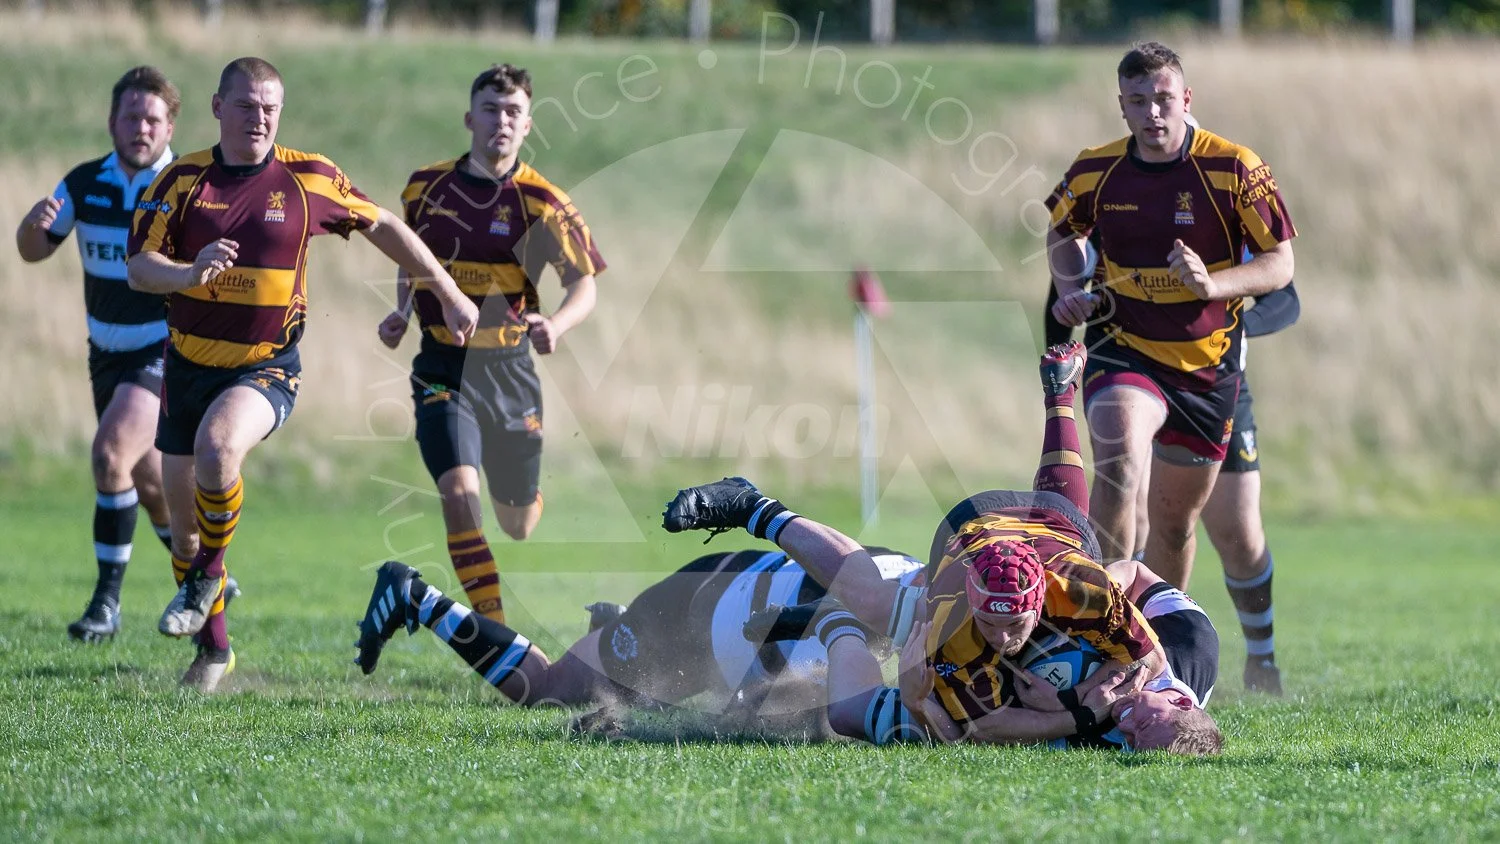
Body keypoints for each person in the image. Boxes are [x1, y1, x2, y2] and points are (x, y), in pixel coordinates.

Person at [126, 57, 479, 692]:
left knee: (218, 449)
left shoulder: (307, 177)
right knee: (182, 531)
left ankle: (210, 574)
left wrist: (449, 293)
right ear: (216, 107)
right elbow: (139, 267)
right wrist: (187, 273)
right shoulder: (180, 180)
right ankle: (213, 649)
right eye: (245, 105)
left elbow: (388, 227)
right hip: (187, 365)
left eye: (269, 107)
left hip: (266, 368)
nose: (258, 117)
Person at [662, 341, 1170, 740]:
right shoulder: (951, 621)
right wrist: (1080, 712)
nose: (1003, 638)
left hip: (1056, 530)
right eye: (991, 623)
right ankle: (751, 506)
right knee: (875, 600)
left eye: (1014, 623)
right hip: (974, 522)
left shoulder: (1089, 594)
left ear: (1039, 602)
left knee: (1072, 531)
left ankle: (1061, 396)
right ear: (973, 597)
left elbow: (1152, 659)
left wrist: (1080, 700)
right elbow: (968, 729)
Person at [1045, 42, 1296, 590]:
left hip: (1205, 367)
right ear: (1123, 106)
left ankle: (1160, 646)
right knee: (1118, 463)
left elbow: (1280, 263)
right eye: (1138, 101)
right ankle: (1102, 623)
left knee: (1175, 525)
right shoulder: (1095, 169)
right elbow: (1063, 231)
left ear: (1186, 99)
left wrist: (1212, 284)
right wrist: (1070, 288)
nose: (1152, 113)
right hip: (1122, 345)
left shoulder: (1234, 166)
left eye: (1163, 99)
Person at [376, 63, 604, 624]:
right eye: (490, 110)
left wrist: (559, 324)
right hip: (442, 364)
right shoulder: (424, 188)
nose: (500, 121)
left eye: (512, 113)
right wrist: (402, 311)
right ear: (468, 118)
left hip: (510, 369)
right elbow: (412, 259)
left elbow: (584, 284)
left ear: (527, 126)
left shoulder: (545, 202)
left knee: (517, 522)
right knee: (458, 495)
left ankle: (527, 498)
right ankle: (494, 631)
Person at [12, 66, 234, 642]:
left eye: (152, 118)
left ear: (170, 126)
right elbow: (35, 250)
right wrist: (30, 229)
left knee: (111, 454)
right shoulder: (84, 183)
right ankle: (203, 573)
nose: (141, 128)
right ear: (113, 121)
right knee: (149, 480)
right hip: (104, 355)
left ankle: (105, 606)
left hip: (165, 349)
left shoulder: (189, 186)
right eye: (131, 117)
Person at [1045, 244, 1299, 695]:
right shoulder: (1117, 203)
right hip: (1132, 375)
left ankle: (1261, 657)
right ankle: (1119, 645)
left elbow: (1285, 298)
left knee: (1238, 531)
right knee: (1130, 499)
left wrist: (1231, 327)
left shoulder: (1221, 204)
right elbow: (1061, 297)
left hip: (1213, 383)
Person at [351, 546, 926, 716]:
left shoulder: (915, 584)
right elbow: (744, 712)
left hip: (733, 607)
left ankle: (620, 637)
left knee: (647, 696)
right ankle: (415, 597)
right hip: (696, 605)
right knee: (549, 690)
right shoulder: (870, 603)